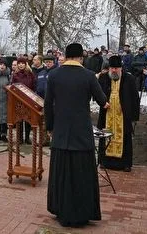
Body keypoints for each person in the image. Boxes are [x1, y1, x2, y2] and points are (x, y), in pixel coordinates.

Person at [45, 43, 109, 227]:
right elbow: (102, 100)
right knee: (82, 174)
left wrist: (50, 127)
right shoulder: (88, 75)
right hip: (82, 132)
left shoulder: (54, 75)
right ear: (81, 57)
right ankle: (83, 212)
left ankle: (61, 209)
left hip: (61, 131)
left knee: (62, 173)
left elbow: (48, 104)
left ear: (65, 56)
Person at [97, 55, 140, 172]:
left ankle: (125, 164)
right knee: (105, 136)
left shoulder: (129, 79)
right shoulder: (103, 78)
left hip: (123, 114)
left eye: (116, 68)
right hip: (107, 113)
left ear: (121, 68)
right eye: (112, 68)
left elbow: (135, 98)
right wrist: (102, 102)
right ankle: (105, 161)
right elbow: (97, 94)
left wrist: (134, 116)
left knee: (125, 137)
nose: (114, 70)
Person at [12, 56, 36, 144]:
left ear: (26, 64)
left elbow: (34, 86)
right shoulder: (15, 75)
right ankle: (20, 138)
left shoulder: (30, 74)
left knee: (27, 120)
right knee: (19, 120)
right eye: (19, 63)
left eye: (22, 63)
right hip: (18, 100)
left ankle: (27, 137)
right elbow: (12, 86)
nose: (21, 65)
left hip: (29, 100)